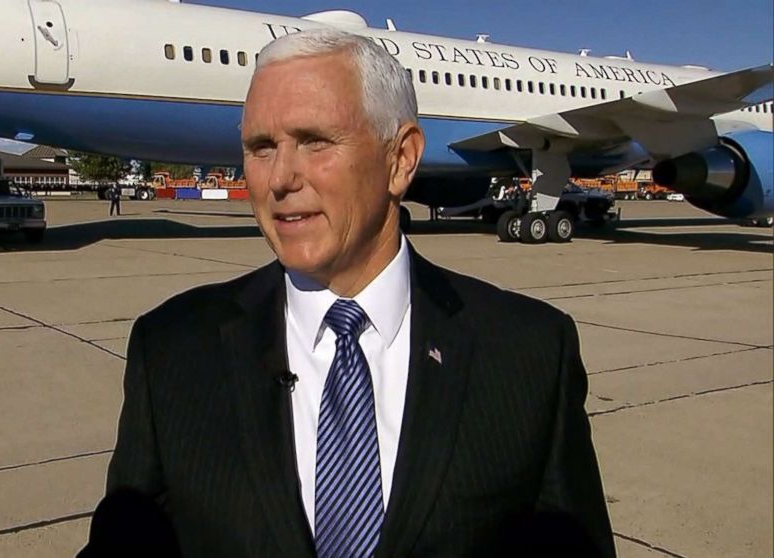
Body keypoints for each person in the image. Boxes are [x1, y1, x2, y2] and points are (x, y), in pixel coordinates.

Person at [80, 29, 615, 558]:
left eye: (315, 142)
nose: (280, 179)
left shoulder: (530, 352)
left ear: (401, 160)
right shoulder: (171, 349)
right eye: (261, 148)